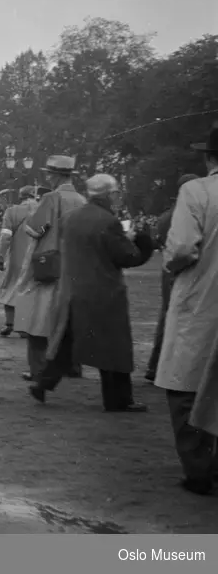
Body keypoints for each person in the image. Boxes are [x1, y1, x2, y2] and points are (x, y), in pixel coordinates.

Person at [28, 174, 154, 412]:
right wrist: (142, 241)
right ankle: (118, 399)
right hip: (104, 292)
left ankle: (43, 384)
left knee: (67, 344)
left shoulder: (71, 219)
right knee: (113, 348)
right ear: (108, 195)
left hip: (73, 290)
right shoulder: (109, 221)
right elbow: (128, 257)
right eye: (115, 193)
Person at [156, 121, 218, 495]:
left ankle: (198, 469)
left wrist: (171, 266)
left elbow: (180, 248)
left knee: (186, 381)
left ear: (209, 156)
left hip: (202, 299)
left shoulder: (197, 191)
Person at [13, 156, 88, 382]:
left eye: (49, 173)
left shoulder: (51, 198)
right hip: (75, 265)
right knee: (69, 317)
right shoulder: (82, 200)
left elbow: (35, 229)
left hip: (50, 264)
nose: (47, 177)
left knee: (38, 320)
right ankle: (73, 366)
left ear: (56, 176)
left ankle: (38, 369)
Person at [146, 173, 200, 382]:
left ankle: (155, 366)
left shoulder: (166, 216)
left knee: (166, 316)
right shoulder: (184, 213)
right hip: (182, 269)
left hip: (168, 269)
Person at [0, 185, 40, 337]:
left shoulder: (12, 211)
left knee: (10, 287)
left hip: (17, 257)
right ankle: (25, 324)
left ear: (20, 197)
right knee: (31, 290)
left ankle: (10, 322)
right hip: (37, 257)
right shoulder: (42, 210)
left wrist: (0, 256)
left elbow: (6, 236)